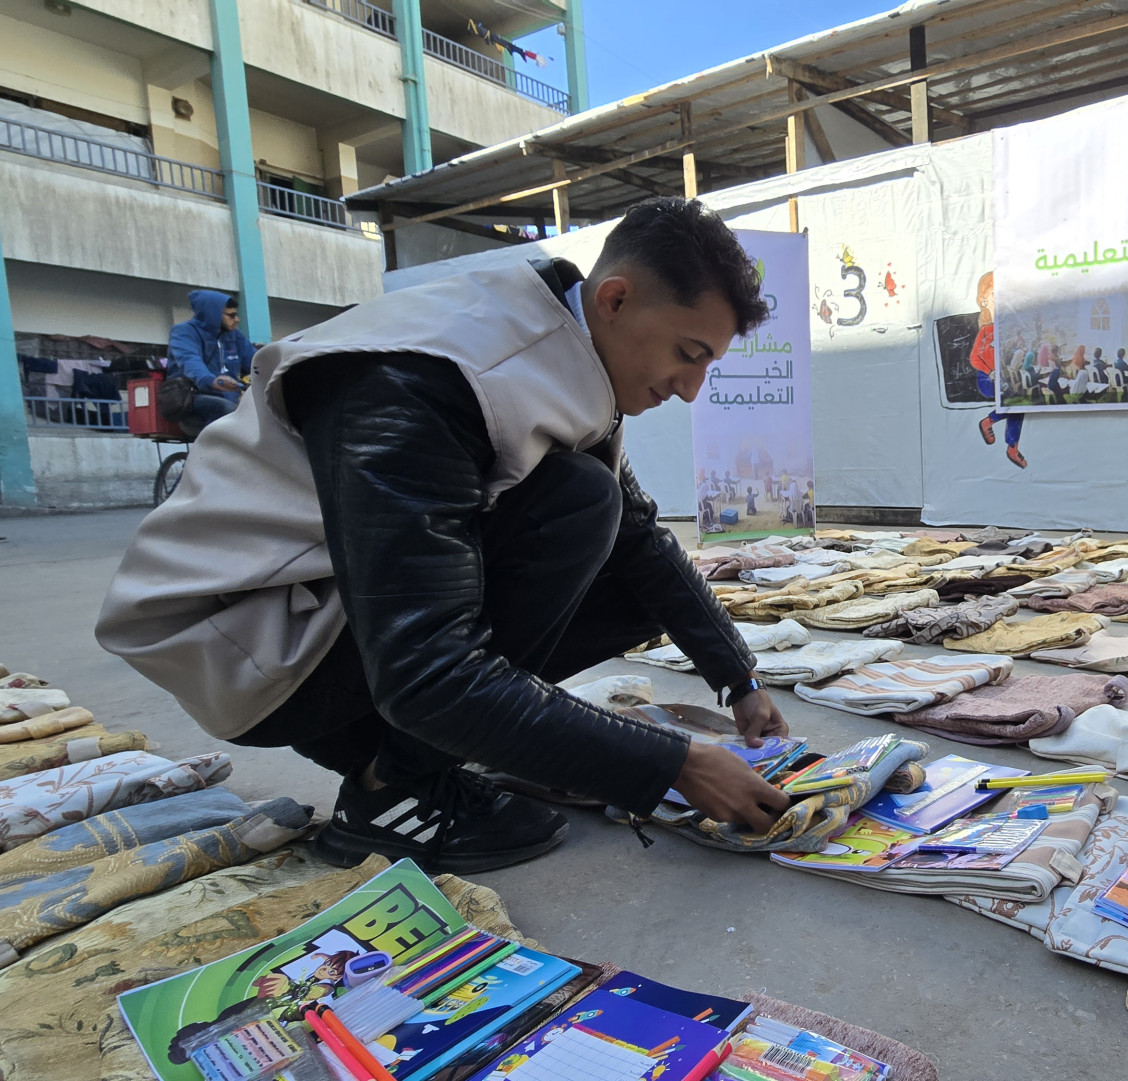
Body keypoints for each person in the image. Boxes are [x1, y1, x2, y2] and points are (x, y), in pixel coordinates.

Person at [97, 198, 793, 874]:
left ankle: (414, 750)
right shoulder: (429, 377)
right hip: (250, 646)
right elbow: (426, 670)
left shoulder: (560, 348)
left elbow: (641, 538)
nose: (693, 388)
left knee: (615, 540)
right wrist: (670, 761)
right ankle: (391, 792)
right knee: (580, 502)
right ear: (614, 299)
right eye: (688, 353)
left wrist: (740, 678)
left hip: (332, 614)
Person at [168, 290, 257, 434]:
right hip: (192, 397)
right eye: (231, 315)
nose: (237, 319)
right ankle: (214, 453)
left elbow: (256, 360)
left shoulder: (234, 336)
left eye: (236, 314)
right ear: (213, 314)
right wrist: (210, 380)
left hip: (230, 396)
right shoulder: (184, 332)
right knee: (227, 410)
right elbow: (190, 360)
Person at [968, 272, 1027, 469]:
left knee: (1019, 402)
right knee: (1016, 401)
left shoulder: (1009, 330)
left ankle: (1012, 446)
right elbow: (974, 358)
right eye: (995, 294)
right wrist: (990, 371)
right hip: (987, 379)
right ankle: (989, 421)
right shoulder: (985, 331)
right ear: (984, 300)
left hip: (1004, 377)